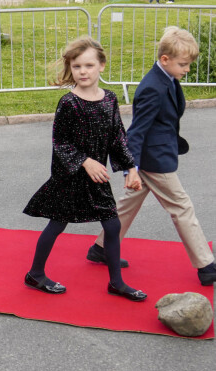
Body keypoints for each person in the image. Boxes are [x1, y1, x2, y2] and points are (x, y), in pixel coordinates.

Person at [88, 27, 216, 286]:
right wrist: (130, 167)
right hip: (152, 160)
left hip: (155, 154)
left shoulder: (167, 77)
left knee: (128, 204)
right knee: (181, 207)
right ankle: (207, 265)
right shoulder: (152, 88)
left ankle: (101, 248)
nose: (188, 69)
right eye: (184, 64)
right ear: (165, 59)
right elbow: (135, 132)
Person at [23, 37, 146, 301]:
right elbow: (60, 142)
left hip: (97, 178)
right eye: (77, 66)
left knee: (112, 227)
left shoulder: (110, 99)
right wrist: (85, 161)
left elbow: (117, 137)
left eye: (89, 65)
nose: (83, 71)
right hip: (70, 177)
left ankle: (116, 283)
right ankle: (35, 273)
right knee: (56, 225)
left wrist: (131, 168)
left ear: (101, 65)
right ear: (71, 68)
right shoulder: (69, 102)